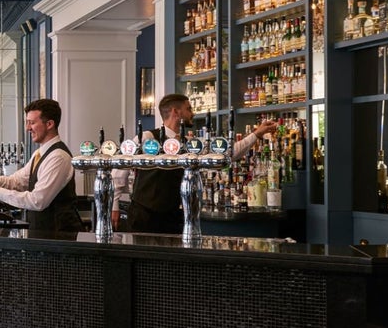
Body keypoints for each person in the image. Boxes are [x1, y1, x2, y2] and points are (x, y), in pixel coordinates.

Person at [117, 93, 277, 234]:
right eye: (189, 109)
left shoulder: (190, 144)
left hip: (173, 215)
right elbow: (119, 167)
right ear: (175, 112)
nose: (192, 113)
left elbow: (226, 155)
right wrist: (114, 206)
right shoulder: (148, 137)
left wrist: (256, 135)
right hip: (143, 215)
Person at [0, 98, 81, 235]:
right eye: (27, 122)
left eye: (32, 123)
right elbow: (17, 181)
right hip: (41, 234)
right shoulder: (40, 153)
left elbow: (38, 201)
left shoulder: (58, 157)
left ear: (49, 124)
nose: (27, 128)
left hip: (59, 237)